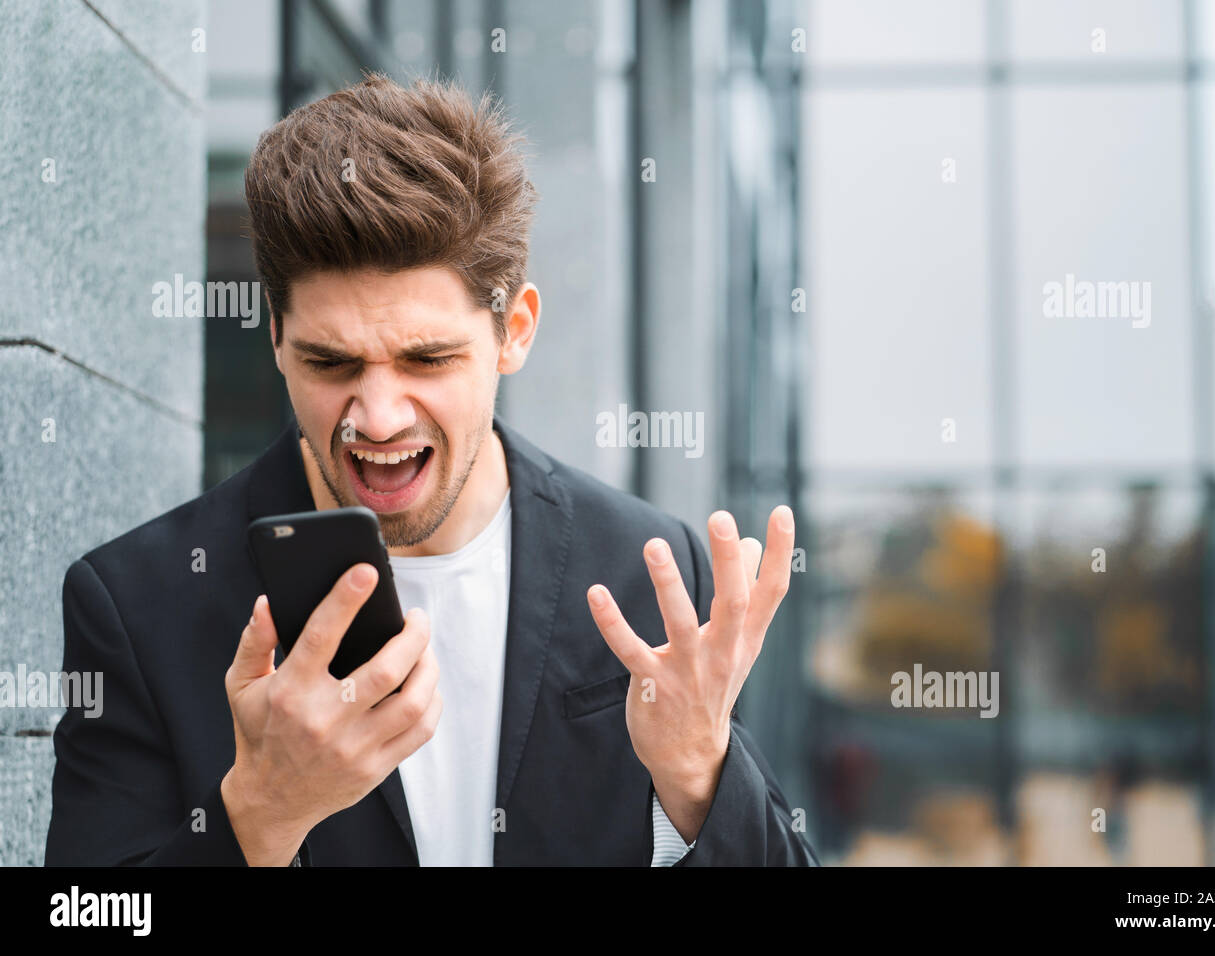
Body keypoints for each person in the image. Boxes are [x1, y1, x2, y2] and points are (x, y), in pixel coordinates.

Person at [44, 75, 818, 867]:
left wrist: (697, 781)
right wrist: (261, 816)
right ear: (276, 337)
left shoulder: (645, 567)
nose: (378, 417)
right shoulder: (140, 604)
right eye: (330, 361)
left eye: (427, 358)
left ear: (513, 331)